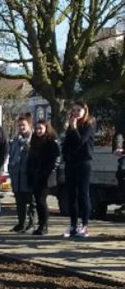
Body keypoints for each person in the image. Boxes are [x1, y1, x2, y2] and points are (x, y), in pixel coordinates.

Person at [61, 102, 95, 239]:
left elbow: (80, 142)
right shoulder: (70, 126)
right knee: (71, 195)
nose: (75, 113)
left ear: (84, 110)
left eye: (78, 110)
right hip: (71, 163)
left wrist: (74, 128)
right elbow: (67, 144)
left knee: (83, 193)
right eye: (73, 110)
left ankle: (84, 225)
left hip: (83, 162)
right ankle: (73, 224)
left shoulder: (89, 124)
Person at [27, 119, 60, 237]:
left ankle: (44, 225)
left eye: (41, 128)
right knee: (37, 200)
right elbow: (30, 159)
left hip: (46, 176)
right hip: (35, 175)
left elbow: (56, 159)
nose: (38, 131)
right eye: (36, 129)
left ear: (46, 129)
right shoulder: (34, 142)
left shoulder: (51, 142)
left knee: (41, 200)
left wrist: (47, 172)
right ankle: (41, 224)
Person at [6, 114, 34, 232]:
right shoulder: (15, 140)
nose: (21, 127)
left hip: (28, 175)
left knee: (31, 202)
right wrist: (11, 169)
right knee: (20, 202)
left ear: (29, 125)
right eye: (19, 125)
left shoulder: (34, 139)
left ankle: (32, 223)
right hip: (17, 175)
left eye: (23, 125)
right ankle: (21, 223)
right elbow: (11, 156)